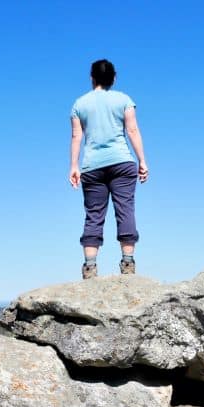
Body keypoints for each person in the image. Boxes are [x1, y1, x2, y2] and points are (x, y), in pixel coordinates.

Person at [69, 59, 149, 279]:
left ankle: (90, 267)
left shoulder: (79, 104)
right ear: (113, 78)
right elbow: (132, 131)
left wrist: (74, 166)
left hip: (92, 167)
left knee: (93, 215)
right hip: (122, 162)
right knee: (125, 209)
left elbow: (77, 136)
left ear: (92, 77)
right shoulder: (124, 100)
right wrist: (142, 160)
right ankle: (128, 264)